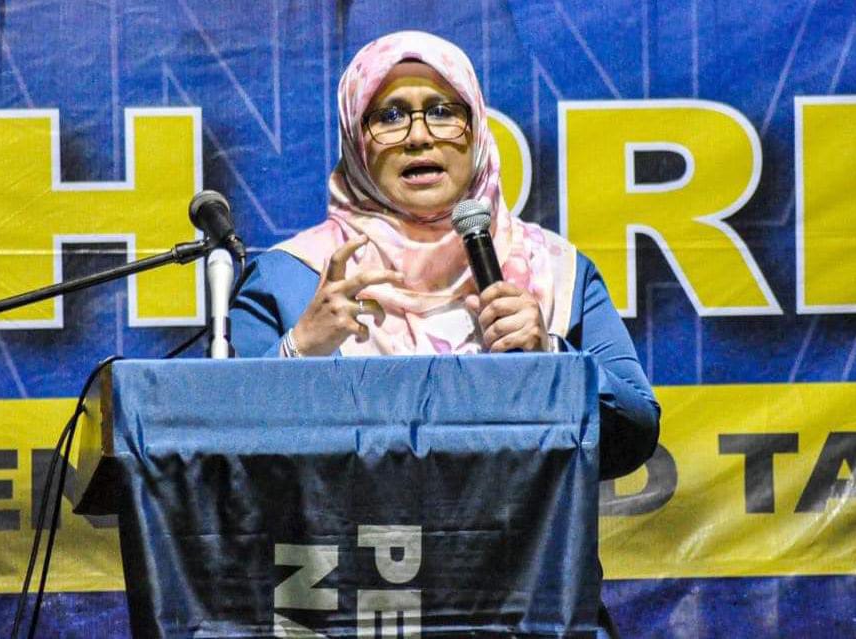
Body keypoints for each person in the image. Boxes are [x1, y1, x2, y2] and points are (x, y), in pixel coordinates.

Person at [230, 30, 659, 637]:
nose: (419, 135)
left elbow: (634, 433)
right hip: (338, 611)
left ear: (476, 127)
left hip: (521, 606)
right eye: (389, 116)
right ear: (354, 137)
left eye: (441, 111)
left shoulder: (553, 274)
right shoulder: (293, 278)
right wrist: (297, 350)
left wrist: (549, 356)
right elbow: (215, 470)